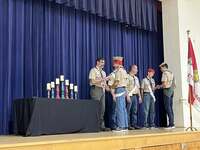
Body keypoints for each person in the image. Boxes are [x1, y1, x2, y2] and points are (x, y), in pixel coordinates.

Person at [89, 58, 110, 131]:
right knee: (96, 108)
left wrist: (108, 88)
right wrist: (103, 79)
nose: (103, 64)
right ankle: (95, 126)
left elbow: (105, 83)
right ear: (97, 62)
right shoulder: (93, 70)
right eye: (101, 62)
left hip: (102, 91)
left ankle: (102, 126)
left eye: (104, 62)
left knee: (102, 109)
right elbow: (92, 81)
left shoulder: (103, 72)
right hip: (96, 90)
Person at [110, 56, 130, 131]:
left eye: (114, 63)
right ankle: (125, 125)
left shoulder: (118, 71)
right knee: (123, 108)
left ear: (117, 63)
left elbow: (117, 81)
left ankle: (121, 126)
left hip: (119, 89)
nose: (113, 65)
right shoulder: (124, 71)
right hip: (124, 89)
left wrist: (112, 87)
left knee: (119, 108)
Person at [159, 62, 176, 129]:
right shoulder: (171, 73)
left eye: (161, 68)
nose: (160, 69)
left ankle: (171, 124)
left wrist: (159, 86)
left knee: (167, 108)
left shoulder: (165, 73)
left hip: (167, 92)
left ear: (164, 67)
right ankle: (172, 123)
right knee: (171, 108)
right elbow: (174, 85)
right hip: (172, 91)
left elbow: (164, 84)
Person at [126, 65, 142, 130]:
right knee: (128, 111)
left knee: (134, 111)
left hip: (135, 96)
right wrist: (127, 96)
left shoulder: (136, 78)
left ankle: (134, 124)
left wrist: (140, 96)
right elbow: (125, 87)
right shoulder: (127, 76)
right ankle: (128, 124)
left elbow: (137, 88)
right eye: (136, 68)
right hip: (129, 95)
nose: (137, 70)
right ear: (132, 69)